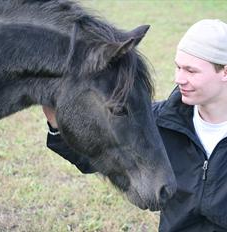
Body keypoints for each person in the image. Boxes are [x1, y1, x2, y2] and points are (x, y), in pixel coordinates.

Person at [43, 19, 227, 231]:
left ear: (224, 71)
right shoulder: (163, 121)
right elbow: (95, 157)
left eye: (191, 71)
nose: (179, 79)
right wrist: (55, 120)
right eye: (178, 67)